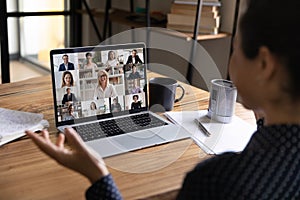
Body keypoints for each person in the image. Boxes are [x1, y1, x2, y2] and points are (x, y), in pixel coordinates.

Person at [25, 0, 300, 198]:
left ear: (265, 65)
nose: (230, 63)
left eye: (235, 50)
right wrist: (267, 106)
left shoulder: (217, 181)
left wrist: (98, 175)